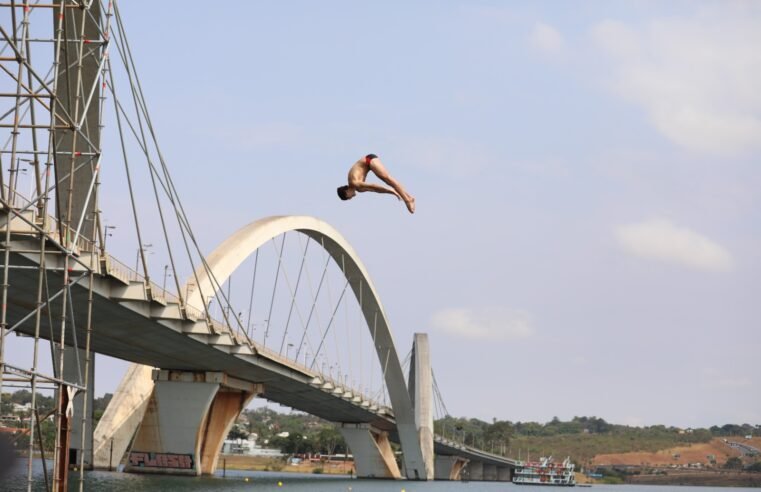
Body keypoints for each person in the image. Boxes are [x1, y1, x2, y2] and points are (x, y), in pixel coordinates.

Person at [336, 154, 415, 213]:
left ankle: (407, 200)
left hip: (369, 160)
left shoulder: (354, 183)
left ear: (346, 192)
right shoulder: (359, 189)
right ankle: (408, 197)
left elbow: (373, 186)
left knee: (387, 178)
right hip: (369, 165)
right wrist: (391, 192)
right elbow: (375, 190)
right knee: (388, 180)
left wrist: (392, 191)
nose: (350, 198)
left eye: (348, 198)